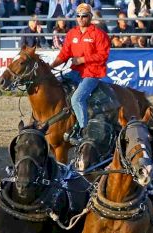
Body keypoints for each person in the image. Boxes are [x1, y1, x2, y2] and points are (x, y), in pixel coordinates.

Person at [49, 3, 110, 145]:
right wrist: (51, 66)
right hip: (76, 72)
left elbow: (103, 56)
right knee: (55, 86)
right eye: (78, 16)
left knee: (77, 99)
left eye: (84, 16)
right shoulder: (72, 33)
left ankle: (84, 131)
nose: (81, 18)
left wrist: (82, 59)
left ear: (90, 17)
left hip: (92, 73)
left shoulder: (99, 34)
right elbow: (64, 54)